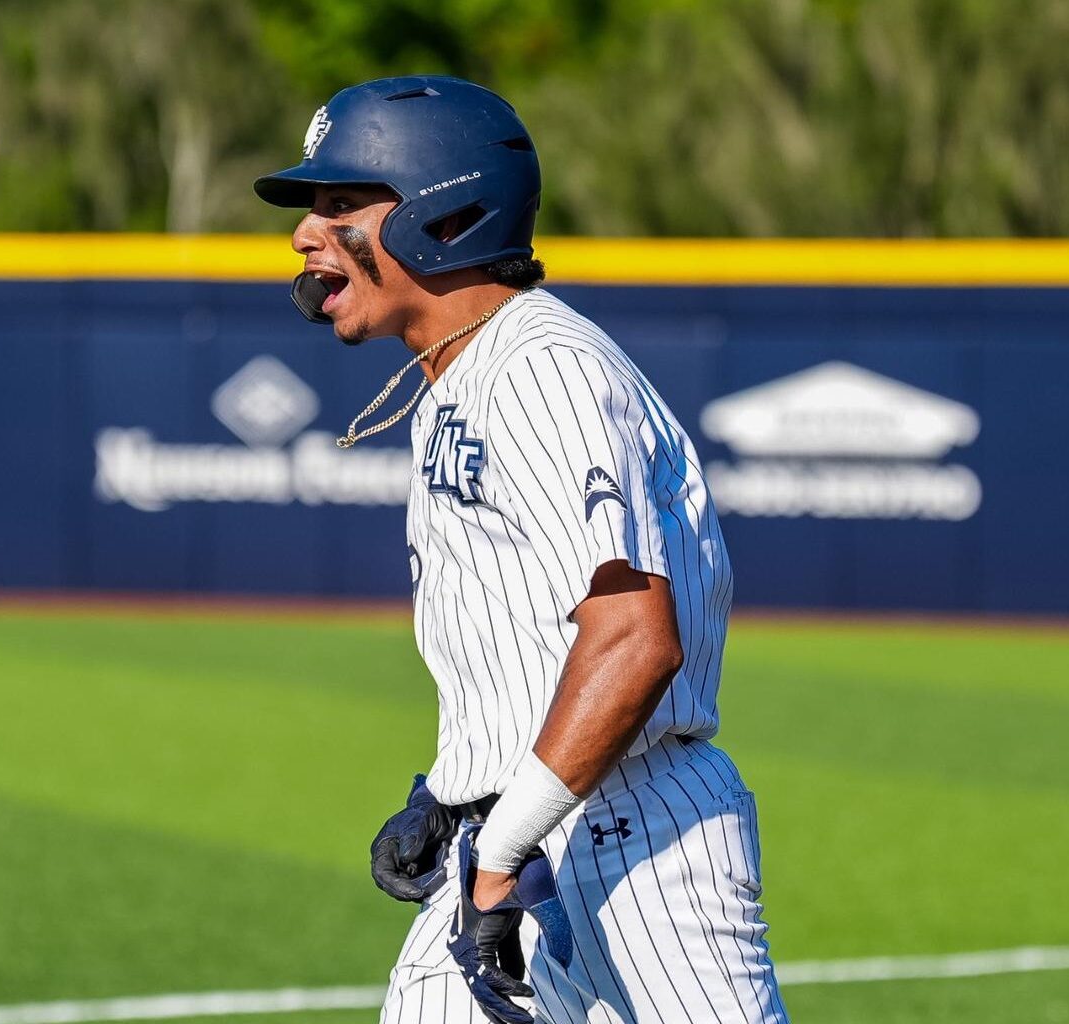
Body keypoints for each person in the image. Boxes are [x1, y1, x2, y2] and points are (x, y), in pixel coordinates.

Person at [254, 76, 787, 1024]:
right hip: (520, 832)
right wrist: (460, 788)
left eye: (340, 205)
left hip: (636, 845)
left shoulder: (544, 370)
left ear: (441, 214)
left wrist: (499, 847)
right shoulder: (461, 375)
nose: (306, 234)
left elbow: (634, 638)